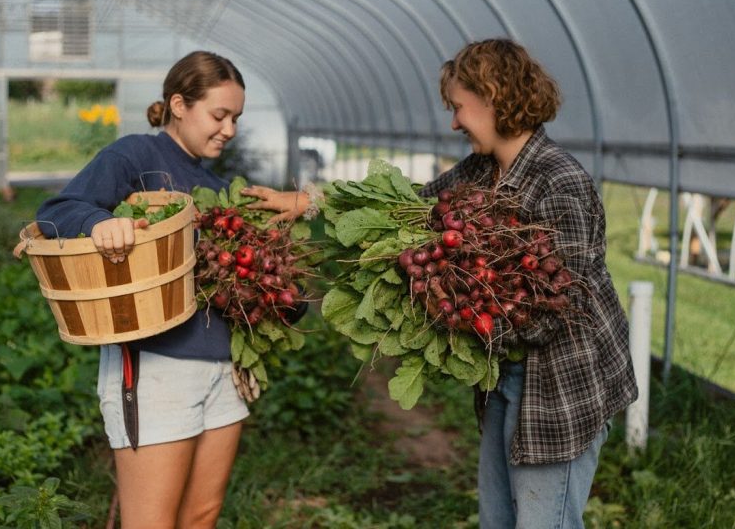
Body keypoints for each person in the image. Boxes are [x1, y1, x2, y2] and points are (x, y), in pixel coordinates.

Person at [250, 38, 638, 528]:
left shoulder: (559, 181)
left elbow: (555, 310)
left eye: (459, 107)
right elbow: (404, 206)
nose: (453, 122)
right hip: (505, 372)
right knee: (498, 518)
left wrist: (451, 318)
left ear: (494, 96)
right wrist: (309, 203)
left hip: (560, 384)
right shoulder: (483, 169)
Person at [37, 51, 252, 528]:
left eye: (236, 118)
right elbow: (57, 210)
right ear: (179, 104)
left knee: (201, 516)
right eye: (220, 115)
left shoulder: (219, 184)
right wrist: (99, 221)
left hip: (222, 368)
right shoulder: (135, 156)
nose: (230, 129)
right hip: (156, 365)